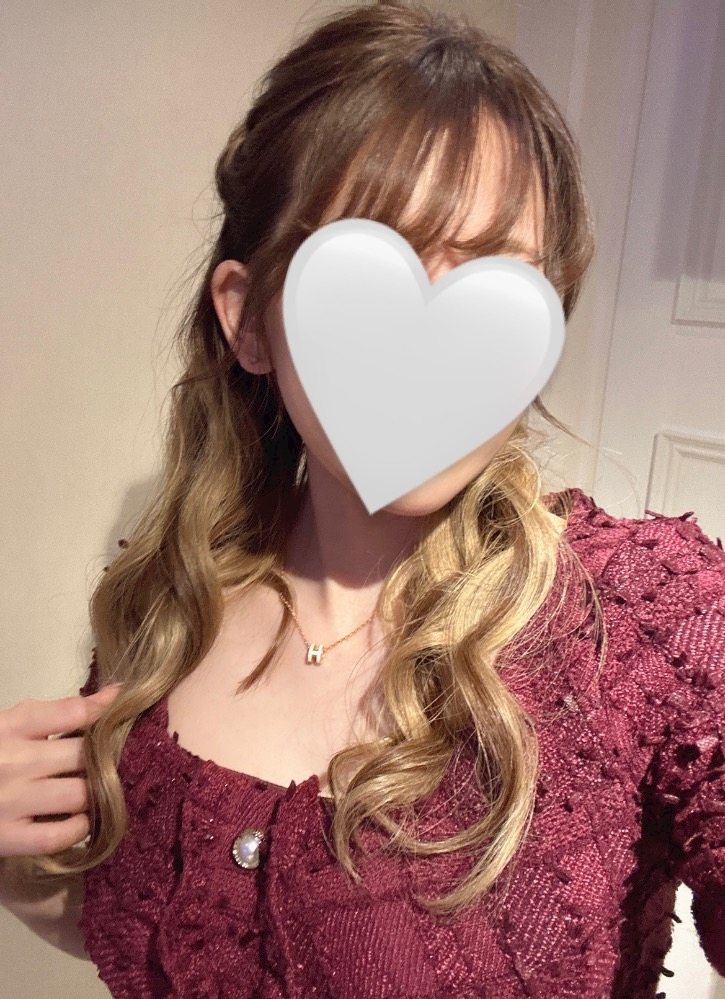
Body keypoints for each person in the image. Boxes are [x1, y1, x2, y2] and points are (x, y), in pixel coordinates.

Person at [1, 1, 724, 996]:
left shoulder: (642, 622)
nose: (434, 336)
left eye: (496, 276)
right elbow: (176, 943)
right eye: (375, 261)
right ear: (250, 321)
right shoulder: (163, 613)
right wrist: (21, 872)